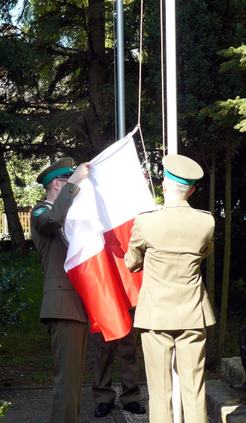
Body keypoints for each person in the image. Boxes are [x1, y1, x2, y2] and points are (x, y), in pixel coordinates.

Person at [125, 154, 216, 423]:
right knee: (194, 390)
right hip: (193, 314)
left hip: (155, 316)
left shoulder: (146, 222)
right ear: (192, 189)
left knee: (160, 391)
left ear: (164, 186)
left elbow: (131, 263)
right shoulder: (206, 221)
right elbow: (203, 254)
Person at [30, 157, 90, 423]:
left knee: (72, 382)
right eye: (68, 182)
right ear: (57, 183)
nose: (74, 188)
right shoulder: (40, 211)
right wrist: (75, 182)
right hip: (63, 305)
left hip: (74, 305)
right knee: (67, 382)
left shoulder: (66, 214)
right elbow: (50, 221)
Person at [92, 308, 146, 417]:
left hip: (127, 296)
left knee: (129, 347)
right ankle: (103, 396)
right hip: (105, 297)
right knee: (103, 348)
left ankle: (130, 397)